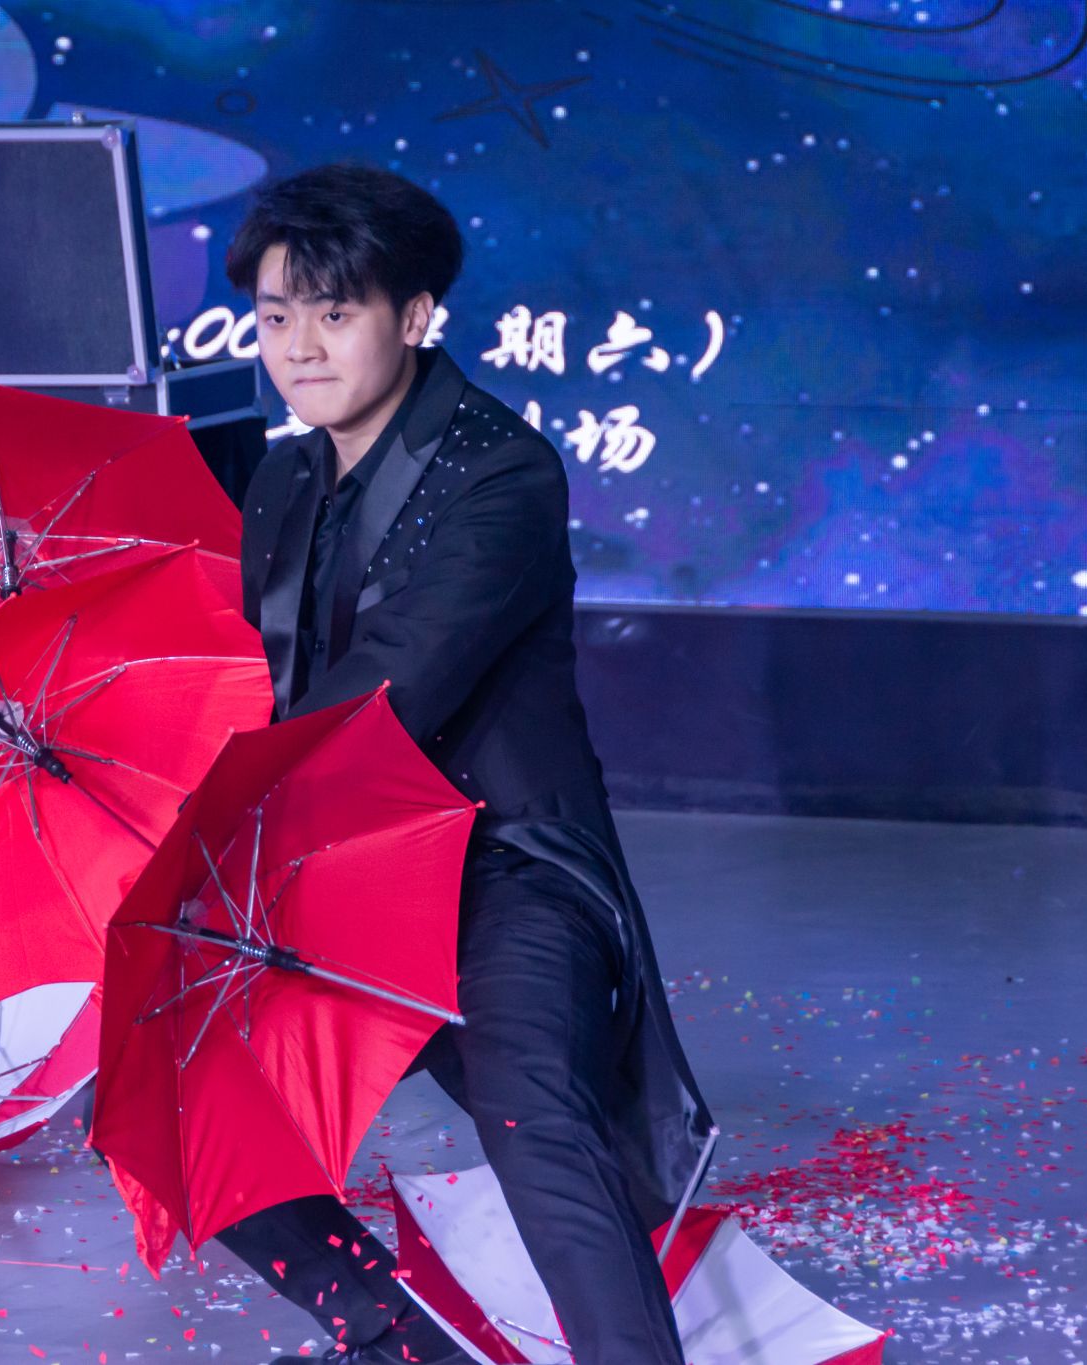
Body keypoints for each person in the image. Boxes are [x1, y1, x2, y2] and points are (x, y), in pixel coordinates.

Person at [219, 163, 714, 1364]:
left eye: (333, 312)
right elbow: (249, 672)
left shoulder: (501, 469)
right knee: (179, 1089)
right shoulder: (282, 476)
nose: (298, 348)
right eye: (276, 316)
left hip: (504, 863)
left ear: (414, 315)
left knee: (532, 1113)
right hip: (341, 856)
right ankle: (403, 1339)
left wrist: (227, 801)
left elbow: (396, 680)